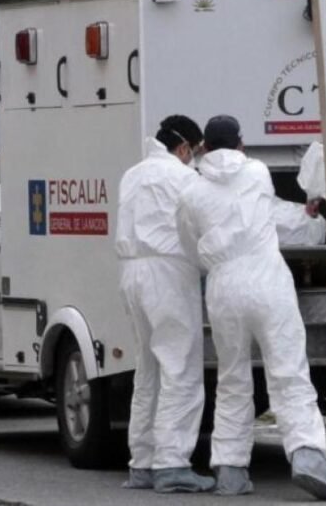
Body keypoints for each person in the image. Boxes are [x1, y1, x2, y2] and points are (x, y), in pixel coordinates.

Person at [175, 115, 326, 501]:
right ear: (240, 143)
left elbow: (189, 243)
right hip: (267, 279)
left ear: (202, 147)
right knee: (288, 372)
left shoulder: (190, 192)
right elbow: (268, 212)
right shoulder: (257, 173)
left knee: (233, 378)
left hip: (222, 285)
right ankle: (306, 457)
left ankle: (231, 470)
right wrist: (312, 216)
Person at [114, 115, 215, 493]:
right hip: (168, 273)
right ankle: (172, 463)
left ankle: (142, 462)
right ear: (185, 148)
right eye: (196, 150)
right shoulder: (182, 177)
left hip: (131, 273)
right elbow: (203, 226)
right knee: (181, 368)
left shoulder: (133, 174)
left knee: (148, 369)